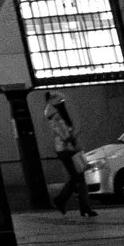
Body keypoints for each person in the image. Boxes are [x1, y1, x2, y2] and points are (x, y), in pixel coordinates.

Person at [41, 88, 93, 218]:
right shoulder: (55, 115)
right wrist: (73, 135)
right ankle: (63, 200)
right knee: (77, 177)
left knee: (79, 177)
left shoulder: (53, 113)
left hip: (65, 150)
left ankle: (84, 207)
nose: (62, 102)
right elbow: (65, 134)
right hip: (66, 150)